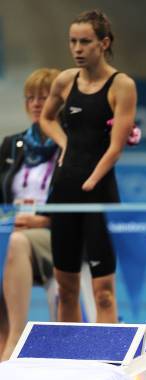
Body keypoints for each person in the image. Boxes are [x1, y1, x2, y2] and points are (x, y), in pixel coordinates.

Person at [40, 9, 136, 323]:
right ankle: (72, 360)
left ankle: (105, 361)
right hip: (65, 190)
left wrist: (93, 179)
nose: (77, 48)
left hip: (99, 194)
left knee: (104, 290)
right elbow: (46, 117)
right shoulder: (65, 81)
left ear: (103, 43)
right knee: (65, 287)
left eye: (85, 42)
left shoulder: (121, 85)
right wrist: (65, 143)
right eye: (72, 42)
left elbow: (116, 147)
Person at [0, 68, 60, 361]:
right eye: (31, 98)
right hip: (12, 228)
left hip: (52, 233)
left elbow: (79, 201)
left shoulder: (69, 146)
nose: (36, 104)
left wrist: (44, 219)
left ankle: (15, 339)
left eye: (44, 97)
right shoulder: (11, 144)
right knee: (8, 241)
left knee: (15, 243)